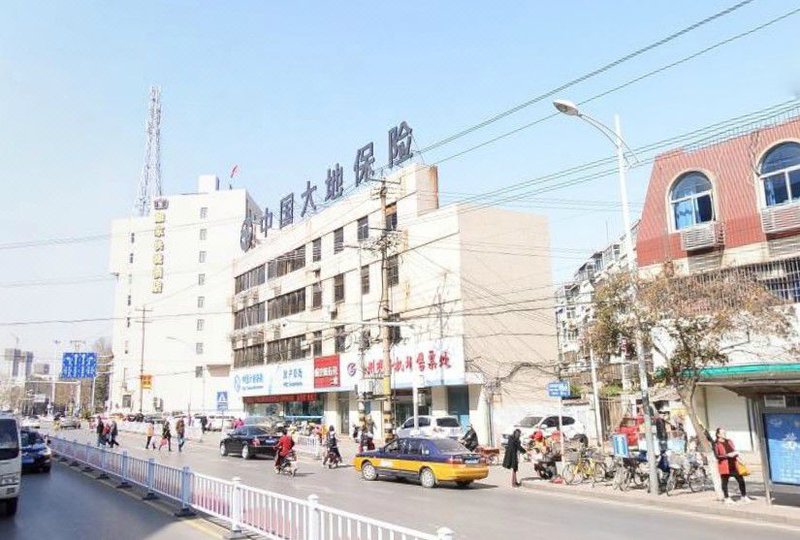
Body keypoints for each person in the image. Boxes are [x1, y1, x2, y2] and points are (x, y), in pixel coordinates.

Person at [714, 427, 753, 504]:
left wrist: (740, 460)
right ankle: (726, 498)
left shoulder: (729, 441)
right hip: (725, 466)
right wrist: (727, 455)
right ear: (718, 434)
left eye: (725, 432)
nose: (724, 434)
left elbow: (734, 451)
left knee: (741, 480)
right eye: (722, 433)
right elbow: (717, 456)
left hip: (734, 464)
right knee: (725, 482)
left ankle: (744, 496)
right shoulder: (716, 444)